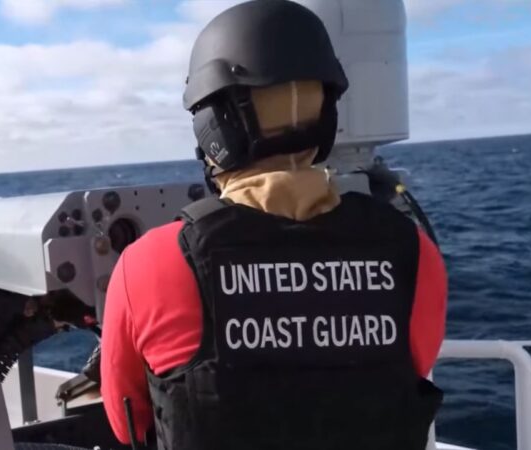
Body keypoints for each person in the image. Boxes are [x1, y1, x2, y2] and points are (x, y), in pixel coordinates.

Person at [100, 1, 448, 449]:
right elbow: (409, 374)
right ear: (327, 114)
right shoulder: (413, 254)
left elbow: (126, 420)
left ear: (213, 124)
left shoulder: (149, 264)